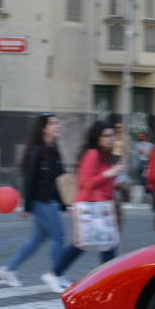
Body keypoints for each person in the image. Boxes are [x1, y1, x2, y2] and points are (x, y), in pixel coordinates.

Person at [46, 121, 125, 292]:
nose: (111, 139)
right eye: (106, 136)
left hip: (102, 207)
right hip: (91, 206)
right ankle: (54, 274)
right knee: (83, 244)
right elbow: (85, 182)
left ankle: (106, 281)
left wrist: (115, 181)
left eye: (112, 135)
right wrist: (108, 174)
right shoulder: (93, 154)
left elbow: (100, 181)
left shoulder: (105, 155)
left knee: (106, 244)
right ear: (97, 138)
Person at [0, 113, 65, 287]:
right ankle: (56, 275)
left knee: (37, 240)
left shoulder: (53, 150)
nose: (58, 126)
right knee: (59, 237)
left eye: (57, 123)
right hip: (41, 202)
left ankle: (8, 270)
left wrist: (64, 202)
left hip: (50, 201)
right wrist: (27, 206)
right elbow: (29, 179)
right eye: (53, 124)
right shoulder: (37, 151)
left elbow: (60, 180)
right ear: (44, 128)